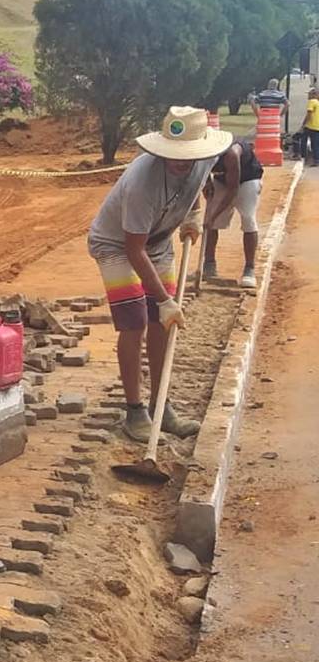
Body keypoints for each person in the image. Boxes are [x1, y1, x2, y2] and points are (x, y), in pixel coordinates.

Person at [87, 107, 232, 443]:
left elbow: (199, 185)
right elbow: (133, 248)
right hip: (116, 245)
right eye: (173, 155)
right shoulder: (142, 183)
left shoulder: (205, 159)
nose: (180, 162)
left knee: (162, 323)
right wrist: (166, 300)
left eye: (186, 155)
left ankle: (161, 405)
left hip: (159, 240)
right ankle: (135, 411)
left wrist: (193, 215)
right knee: (135, 320)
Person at [202, 137, 263, 288]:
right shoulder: (202, 152)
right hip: (222, 179)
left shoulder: (232, 154)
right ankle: (209, 265)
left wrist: (213, 215)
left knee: (248, 218)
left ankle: (249, 269)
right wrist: (208, 183)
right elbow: (203, 171)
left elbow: (232, 191)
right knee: (212, 224)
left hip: (247, 179)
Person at [304, 87, 319, 167]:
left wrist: (303, 124)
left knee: (301, 138)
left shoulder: (312, 101)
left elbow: (309, 114)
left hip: (311, 126)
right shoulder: (317, 102)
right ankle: (316, 159)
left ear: (314, 95)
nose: (308, 96)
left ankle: (301, 154)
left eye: (309, 94)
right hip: (317, 126)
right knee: (316, 143)